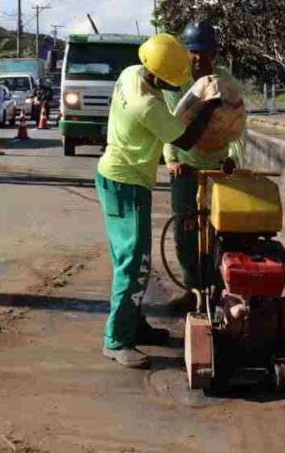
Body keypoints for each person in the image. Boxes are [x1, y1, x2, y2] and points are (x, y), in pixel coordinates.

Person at [96, 33, 224, 369]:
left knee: (133, 257)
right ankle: (117, 339)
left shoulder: (130, 74)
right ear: (160, 75)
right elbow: (186, 138)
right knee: (133, 261)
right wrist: (209, 106)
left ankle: (134, 326)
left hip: (114, 176)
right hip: (127, 184)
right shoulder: (148, 105)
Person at [162, 20, 247, 313]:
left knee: (221, 232)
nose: (199, 59)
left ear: (214, 53)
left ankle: (220, 290)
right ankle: (192, 289)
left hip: (217, 169)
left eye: (205, 52)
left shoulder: (226, 83)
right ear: (186, 52)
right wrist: (171, 160)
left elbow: (239, 125)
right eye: (193, 52)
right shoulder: (176, 82)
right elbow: (169, 124)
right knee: (185, 233)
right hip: (185, 167)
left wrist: (233, 157)